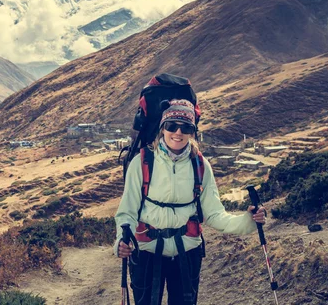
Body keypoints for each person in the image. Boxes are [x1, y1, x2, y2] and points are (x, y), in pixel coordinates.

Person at [114, 99, 266, 305]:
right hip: (146, 249)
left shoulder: (201, 165)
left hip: (187, 252)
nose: (178, 132)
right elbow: (127, 212)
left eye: (185, 127)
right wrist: (121, 241)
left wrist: (249, 220)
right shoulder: (141, 162)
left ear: (192, 132)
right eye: (171, 125)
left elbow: (214, 214)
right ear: (162, 127)